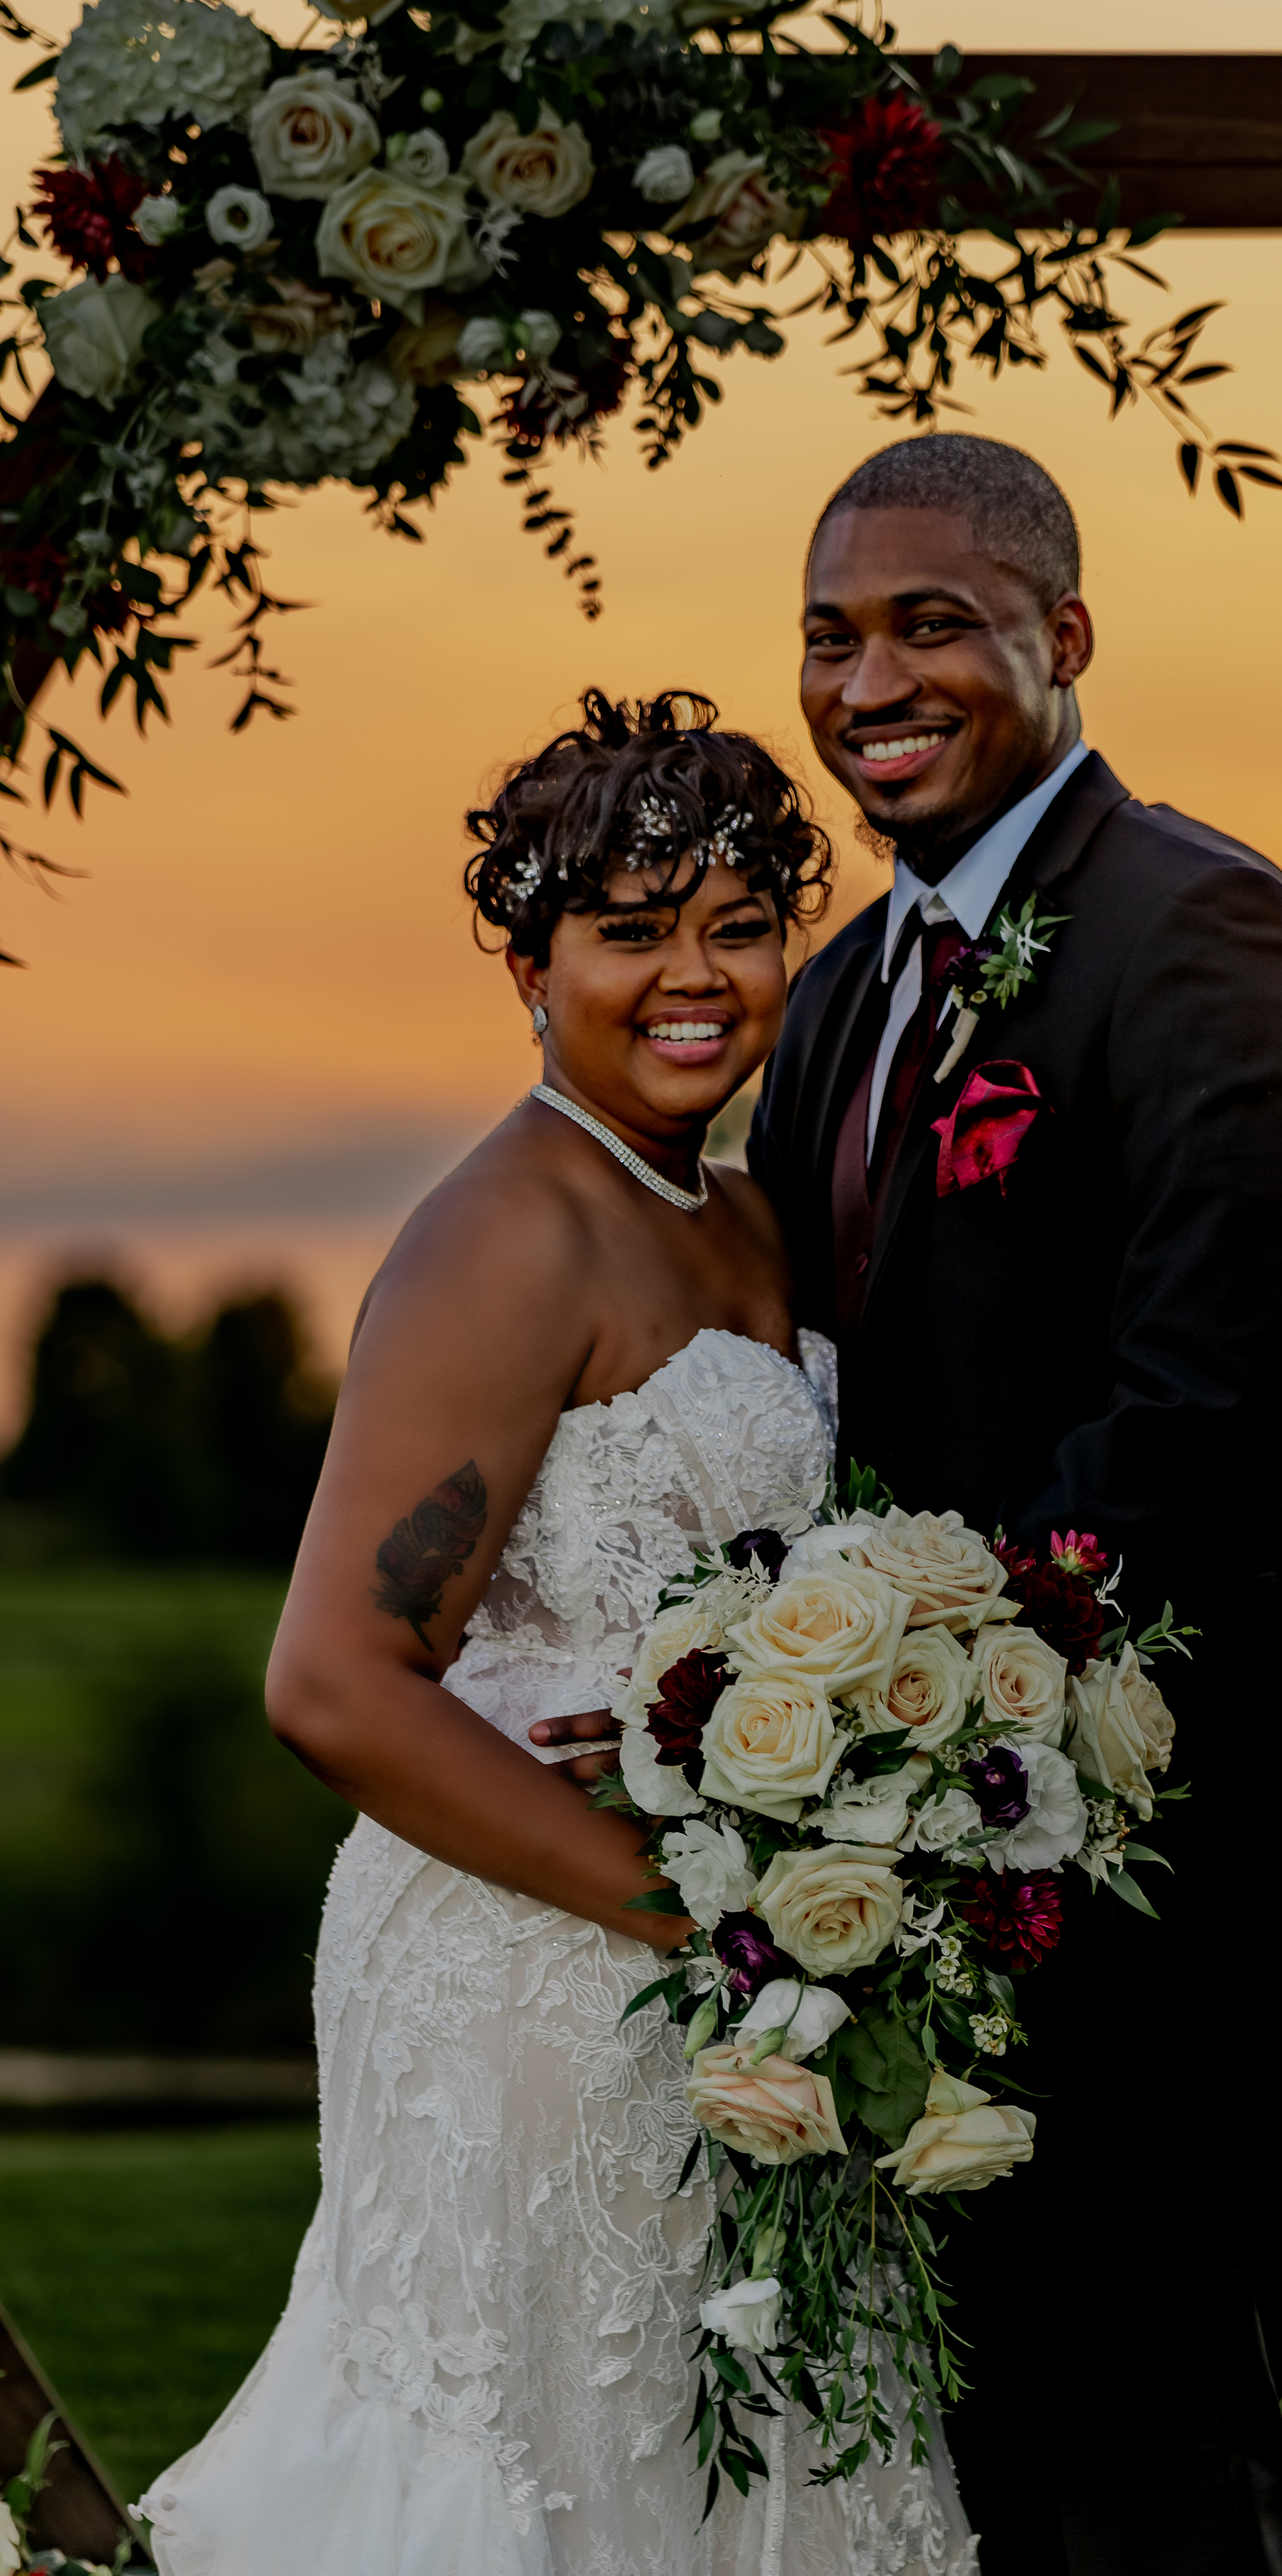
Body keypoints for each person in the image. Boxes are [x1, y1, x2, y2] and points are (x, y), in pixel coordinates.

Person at [139, 692, 975, 2576]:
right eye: (629, 928)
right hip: (540, 1972)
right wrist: (697, 1915)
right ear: (528, 965)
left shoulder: (751, 1218)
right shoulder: (507, 1234)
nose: (694, 976)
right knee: (560, 2461)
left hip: (749, 1978)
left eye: (741, 924)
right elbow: (335, 1684)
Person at [745, 435, 1282, 2573]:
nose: (874, 678)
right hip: (923, 1856)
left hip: (1182, 1835)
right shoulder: (846, 993)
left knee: (1147, 2445)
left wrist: (892, 1710)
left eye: (932, 624)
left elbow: (1197, 1424)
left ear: (1061, 636)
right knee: (976, 2452)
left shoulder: (1203, 930)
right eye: (831, 637)